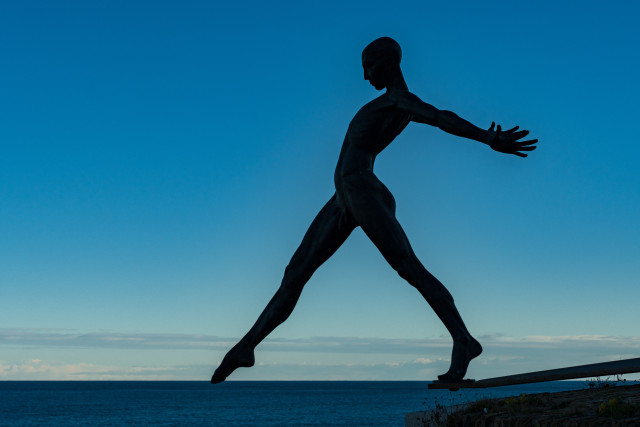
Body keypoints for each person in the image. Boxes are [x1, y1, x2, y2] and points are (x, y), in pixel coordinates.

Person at [211, 37, 537, 384]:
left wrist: (486, 138)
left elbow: (442, 118)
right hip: (344, 196)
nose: (366, 77)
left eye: (368, 66)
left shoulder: (399, 101)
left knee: (407, 266)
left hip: (361, 189)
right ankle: (246, 347)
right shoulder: (386, 102)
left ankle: (463, 340)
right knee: (295, 272)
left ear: (386, 62)